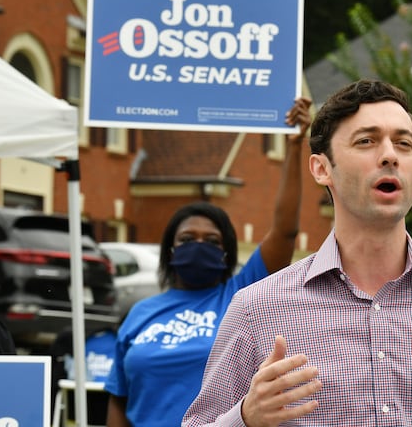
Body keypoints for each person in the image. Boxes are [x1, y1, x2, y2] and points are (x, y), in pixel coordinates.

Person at [183, 79, 412, 426]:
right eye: (367, 141)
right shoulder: (256, 309)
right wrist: (246, 418)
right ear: (321, 168)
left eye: (403, 144)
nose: (389, 155)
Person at [104, 97, 311, 427]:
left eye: (212, 241)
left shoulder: (241, 295)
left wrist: (293, 148)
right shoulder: (139, 315)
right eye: (187, 239)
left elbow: (285, 231)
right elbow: (119, 398)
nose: (199, 245)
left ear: (227, 253)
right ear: (170, 251)